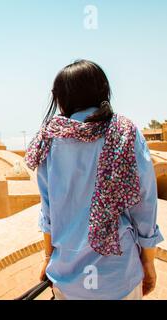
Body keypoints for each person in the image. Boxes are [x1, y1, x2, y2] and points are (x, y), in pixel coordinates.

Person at [24, 59, 163, 300]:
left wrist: (47, 260)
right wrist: (148, 261)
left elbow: (48, 214)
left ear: (60, 98)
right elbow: (145, 202)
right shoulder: (125, 132)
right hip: (119, 275)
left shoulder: (48, 139)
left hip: (67, 277)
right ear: (103, 91)